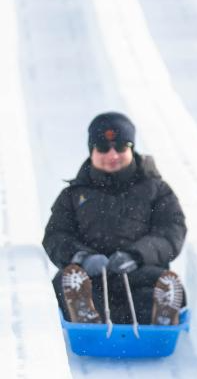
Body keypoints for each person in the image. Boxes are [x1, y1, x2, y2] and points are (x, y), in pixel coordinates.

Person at [43, 112, 187, 326]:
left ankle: (160, 314)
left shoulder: (156, 190)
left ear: (131, 149)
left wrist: (137, 255)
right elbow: (56, 236)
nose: (112, 155)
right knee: (68, 284)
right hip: (90, 278)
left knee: (158, 287)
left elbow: (171, 232)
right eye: (103, 147)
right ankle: (85, 313)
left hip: (141, 273)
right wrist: (82, 258)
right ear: (92, 150)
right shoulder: (73, 195)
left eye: (120, 147)